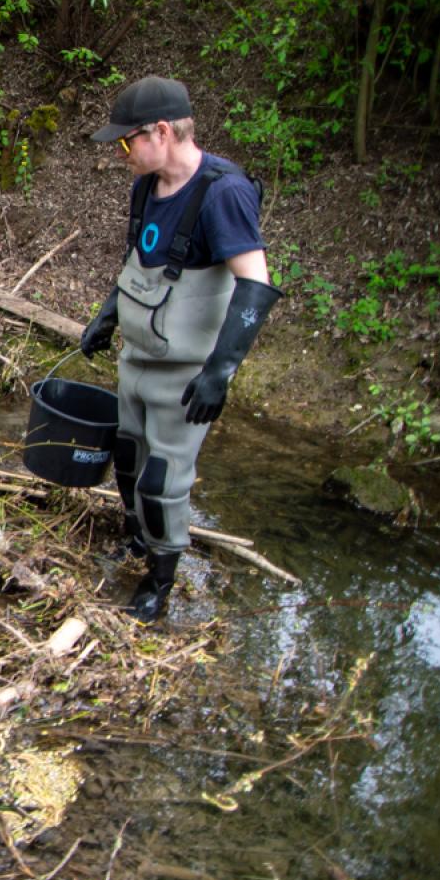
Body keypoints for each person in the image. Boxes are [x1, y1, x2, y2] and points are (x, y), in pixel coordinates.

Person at [80, 75, 280, 622]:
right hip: (137, 358)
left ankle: (160, 579)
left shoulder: (223, 192)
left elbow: (255, 283)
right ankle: (137, 540)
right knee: (127, 459)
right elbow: (138, 266)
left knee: (162, 482)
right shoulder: (145, 187)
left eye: (127, 141)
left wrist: (220, 372)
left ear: (162, 132)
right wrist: (106, 317)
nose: (121, 153)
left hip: (186, 374)